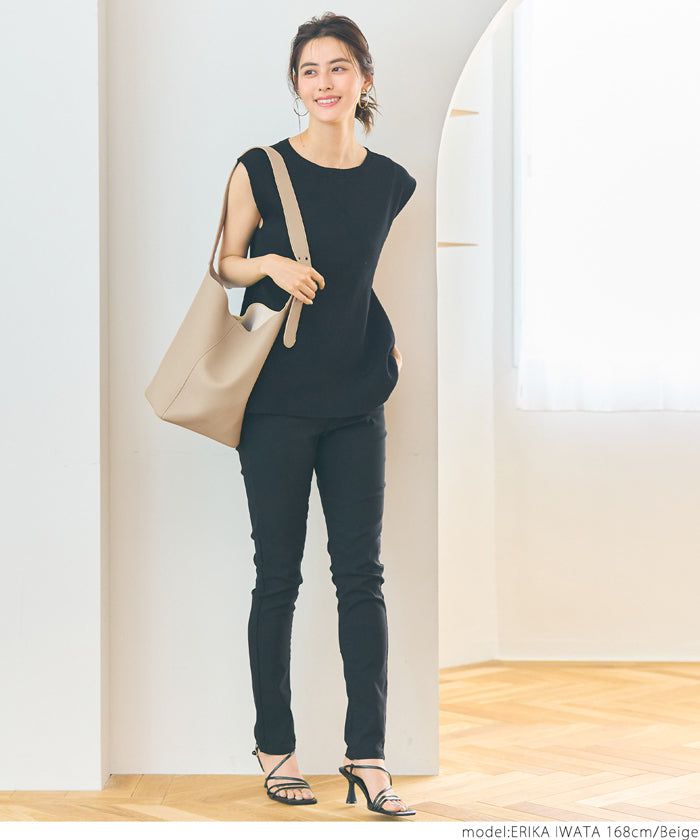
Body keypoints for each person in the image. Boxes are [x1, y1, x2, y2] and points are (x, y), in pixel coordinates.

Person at [217, 12, 417, 818]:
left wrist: (385, 340)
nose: (325, 82)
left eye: (339, 67)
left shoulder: (390, 181)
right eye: (310, 70)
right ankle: (276, 746)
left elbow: (358, 276)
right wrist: (267, 260)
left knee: (361, 578)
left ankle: (368, 756)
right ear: (296, 84)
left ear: (364, 78)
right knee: (278, 577)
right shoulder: (259, 169)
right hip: (274, 404)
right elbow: (223, 263)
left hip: (357, 401)